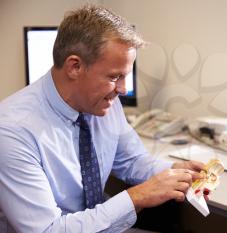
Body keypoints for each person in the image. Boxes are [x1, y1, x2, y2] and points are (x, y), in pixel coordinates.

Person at [0, 5, 204, 233]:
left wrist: (176, 171)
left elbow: (132, 160)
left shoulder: (104, 102)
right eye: (115, 76)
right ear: (75, 66)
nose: (124, 89)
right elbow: (48, 230)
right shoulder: (11, 131)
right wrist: (135, 197)